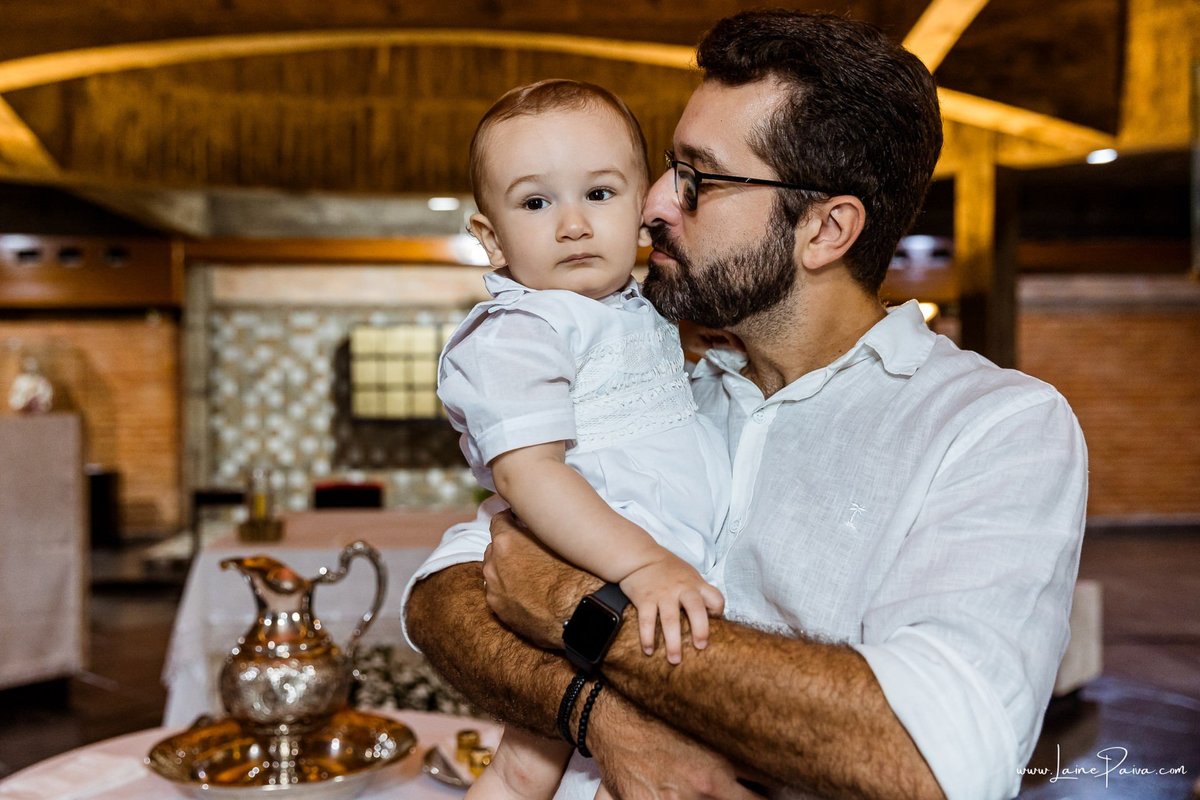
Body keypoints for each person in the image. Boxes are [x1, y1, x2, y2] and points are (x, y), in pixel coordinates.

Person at [406, 10, 1088, 800]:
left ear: (826, 229)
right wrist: (596, 715)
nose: (655, 202)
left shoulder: (993, 427)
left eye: (699, 178)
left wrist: (574, 607)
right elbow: (447, 591)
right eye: (667, 166)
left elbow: (927, 756)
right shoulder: (661, 374)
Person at [425, 79, 730, 800]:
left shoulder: (637, 310)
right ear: (491, 238)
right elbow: (529, 477)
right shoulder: (518, 332)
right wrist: (645, 563)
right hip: (597, 554)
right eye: (536, 203)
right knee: (529, 762)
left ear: (644, 209)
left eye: (599, 194)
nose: (573, 225)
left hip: (657, 561)